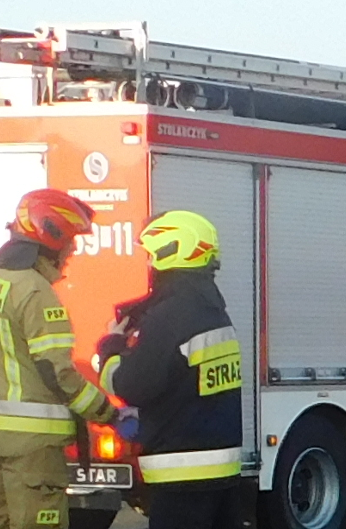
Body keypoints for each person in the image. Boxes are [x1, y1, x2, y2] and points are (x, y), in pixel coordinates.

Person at [0, 189, 119, 529]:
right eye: (70, 242)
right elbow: (57, 371)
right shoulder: (36, 292)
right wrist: (106, 412)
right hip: (33, 450)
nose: (72, 251)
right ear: (51, 239)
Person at [93, 211, 244, 529]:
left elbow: (131, 385)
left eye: (151, 255)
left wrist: (111, 347)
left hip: (180, 473)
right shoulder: (213, 311)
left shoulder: (169, 316)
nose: (148, 264)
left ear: (170, 251)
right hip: (221, 472)